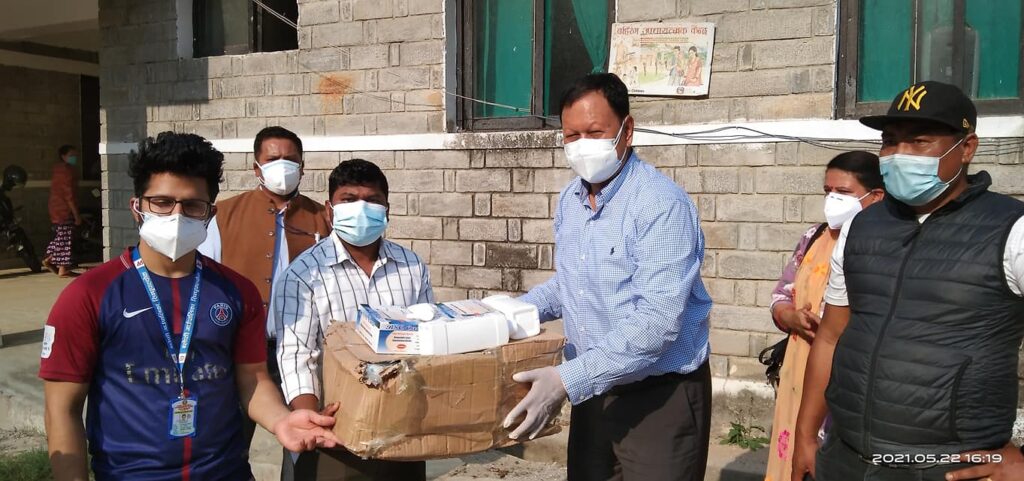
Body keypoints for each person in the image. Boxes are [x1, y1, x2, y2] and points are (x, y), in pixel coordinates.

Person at [40, 132, 339, 481]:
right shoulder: (88, 295)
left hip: (225, 473)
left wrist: (281, 420)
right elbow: (62, 410)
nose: (177, 215)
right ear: (137, 207)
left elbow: (253, 379)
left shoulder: (236, 292)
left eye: (192, 206)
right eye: (162, 202)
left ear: (210, 213)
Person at [791, 81, 1024, 481]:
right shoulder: (862, 226)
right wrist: (805, 436)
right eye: (890, 142)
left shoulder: (1011, 229)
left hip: (948, 467)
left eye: (919, 141)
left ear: (966, 148)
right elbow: (830, 337)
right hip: (846, 458)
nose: (900, 155)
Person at [508, 73, 713, 481]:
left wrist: (566, 380)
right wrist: (507, 313)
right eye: (572, 136)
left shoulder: (660, 205)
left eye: (594, 132)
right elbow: (572, 284)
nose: (582, 145)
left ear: (627, 130)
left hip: (658, 397)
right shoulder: (571, 199)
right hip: (594, 390)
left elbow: (658, 321)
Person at [271, 159, 434, 480]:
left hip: (400, 425)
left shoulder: (412, 267)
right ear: (330, 211)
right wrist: (310, 417)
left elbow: (427, 337)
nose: (361, 209)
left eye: (372, 201)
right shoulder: (303, 275)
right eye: (349, 200)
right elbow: (296, 354)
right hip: (335, 430)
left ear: (387, 210)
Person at [197, 126, 331, 478]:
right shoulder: (224, 215)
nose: (282, 166)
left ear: (302, 166)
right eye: (273, 159)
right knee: (228, 442)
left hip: (303, 353)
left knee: (305, 440)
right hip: (241, 351)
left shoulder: (321, 218)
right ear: (257, 167)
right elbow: (205, 280)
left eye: (290, 159)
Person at [763, 151, 884, 481]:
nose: (832, 199)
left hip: (849, 375)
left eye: (843, 192)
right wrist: (790, 317)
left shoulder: (884, 246)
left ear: (876, 196)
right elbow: (781, 293)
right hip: (800, 367)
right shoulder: (813, 237)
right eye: (828, 191)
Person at [44, 145, 81, 277]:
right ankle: (63, 268)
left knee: (60, 236)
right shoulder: (67, 171)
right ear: (63, 156)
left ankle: (49, 258)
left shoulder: (57, 170)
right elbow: (68, 195)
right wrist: (76, 215)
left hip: (55, 207)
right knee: (65, 238)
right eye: (71, 155)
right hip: (64, 210)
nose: (74, 158)